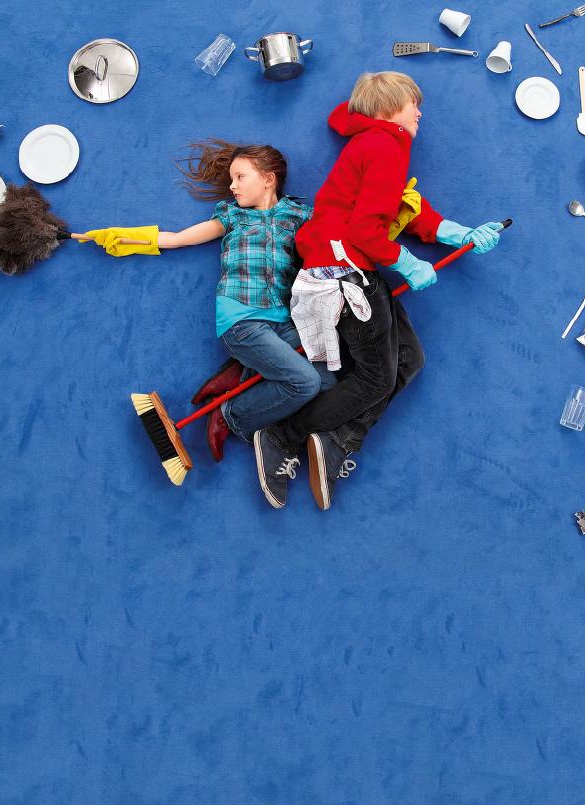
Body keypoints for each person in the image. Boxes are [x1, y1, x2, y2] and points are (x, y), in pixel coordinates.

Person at [252, 72, 502, 510]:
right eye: (412, 104)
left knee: (409, 360)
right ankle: (282, 436)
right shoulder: (385, 147)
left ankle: (336, 439)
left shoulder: (374, 144)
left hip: (352, 269)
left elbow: (406, 210)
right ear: (388, 108)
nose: (420, 112)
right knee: (375, 379)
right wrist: (408, 263)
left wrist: (463, 234)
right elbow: (367, 231)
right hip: (344, 273)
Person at [84, 140, 336, 461]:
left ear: (268, 179)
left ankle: (244, 377)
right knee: (304, 382)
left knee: (328, 381)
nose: (232, 186)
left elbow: (339, 232)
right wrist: (124, 237)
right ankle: (231, 414)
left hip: (284, 322)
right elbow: (178, 239)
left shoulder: (299, 214)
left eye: (240, 177)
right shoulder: (232, 215)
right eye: (231, 179)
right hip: (242, 321)